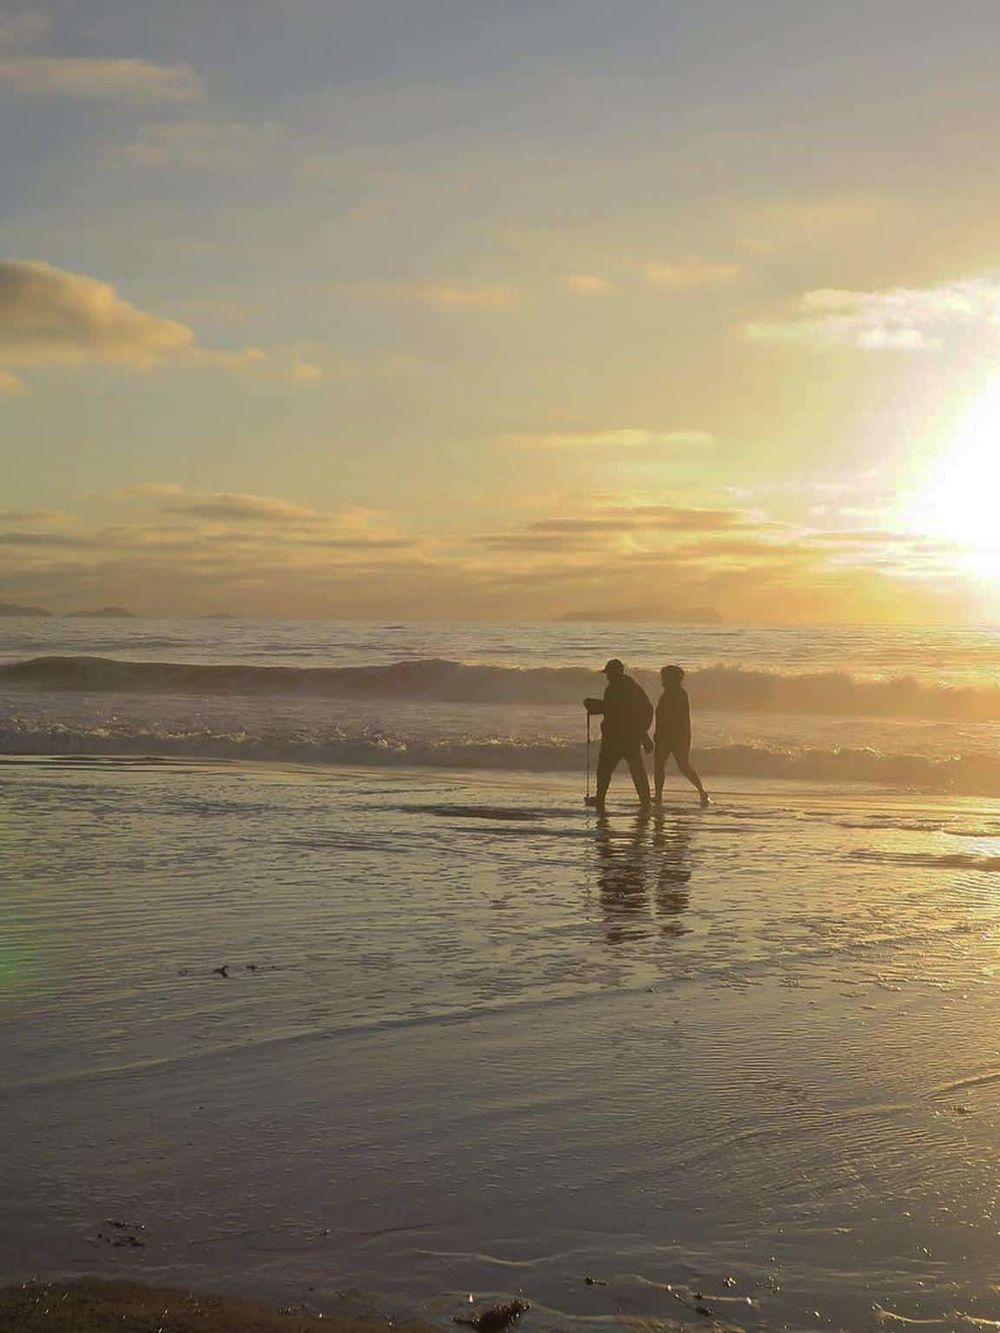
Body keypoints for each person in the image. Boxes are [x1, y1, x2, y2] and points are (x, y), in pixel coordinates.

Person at [583, 658, 653, 811]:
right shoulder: (633, 687)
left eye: (609, 673)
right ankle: (645, 801)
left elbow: (614, 711)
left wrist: (593, 706)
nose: (607, 676)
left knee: (604, 769)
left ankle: (600, 799)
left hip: (615, 737)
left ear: (615, 673)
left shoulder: (614, 688)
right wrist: (643, 733)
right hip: (631, 737)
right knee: (637, 770)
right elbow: (646, 709)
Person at [654, 664, 709, 805]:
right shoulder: (671, 694)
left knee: (681, 766)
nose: (662, 680)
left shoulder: (676, 694)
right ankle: (659, 796)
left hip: (674, 736)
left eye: (664, 677)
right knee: (663, 765)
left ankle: (702, 792)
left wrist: (660, 733)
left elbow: (671, 717)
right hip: (675, 736)